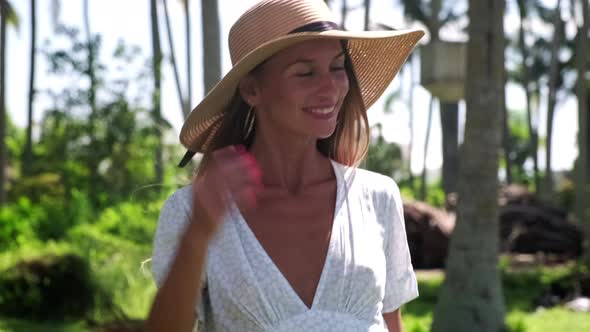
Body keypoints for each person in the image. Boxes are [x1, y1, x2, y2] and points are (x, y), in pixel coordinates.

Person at [145, 0, 424, 331]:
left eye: (337, 67)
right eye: (305, 73)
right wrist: (198, 234)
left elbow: (392, 324)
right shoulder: (191, 212)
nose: (331, 88)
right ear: (251, 89)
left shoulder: (377, 198)